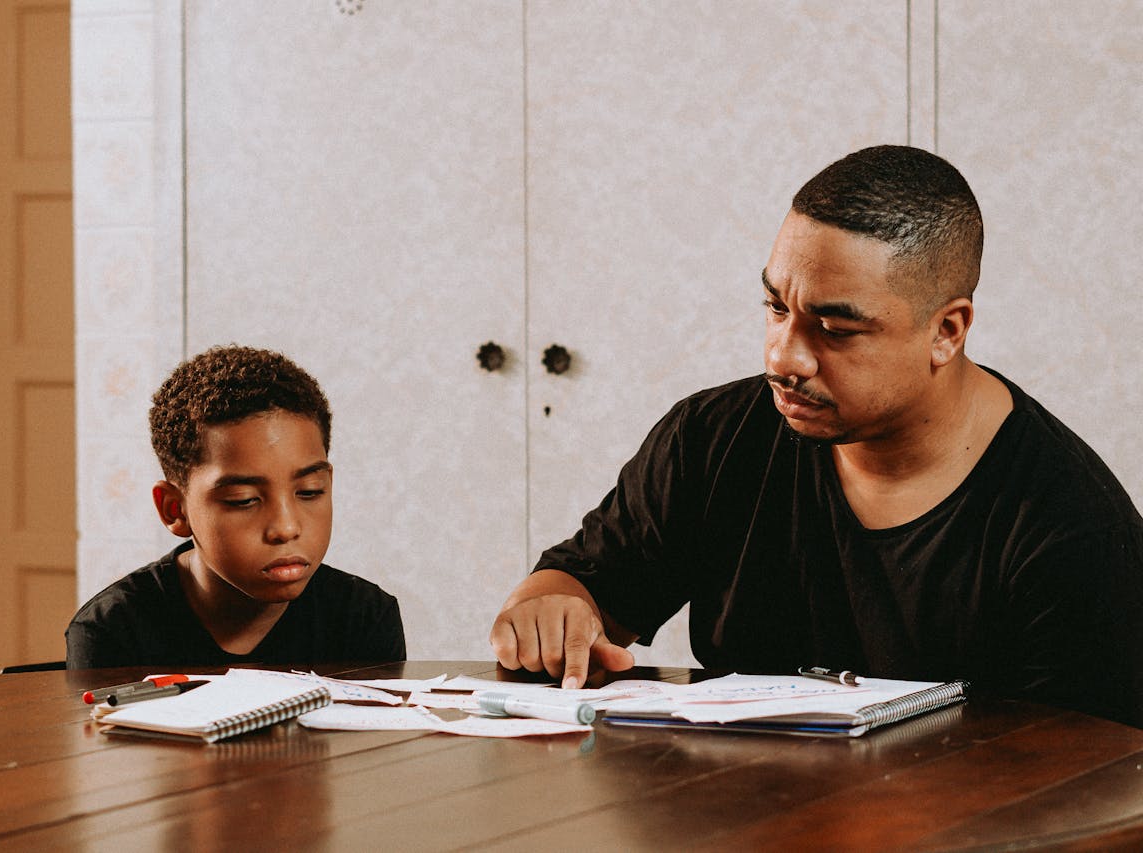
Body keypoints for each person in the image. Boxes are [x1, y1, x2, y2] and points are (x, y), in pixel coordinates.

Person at [490, 145, 1143, 727]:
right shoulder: (713, 440)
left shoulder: (1071, 529)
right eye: (777, 306)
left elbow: (1085, 796)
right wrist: (546, 610)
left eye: (835, 328)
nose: (784, 357)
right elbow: (578, 587)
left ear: (947, 331)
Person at [67, 345, 405, 668]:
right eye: (243, 500)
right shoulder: (113, 630)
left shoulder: (364, 618)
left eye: (309, 492)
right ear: (175, 509)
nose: (286, 528)